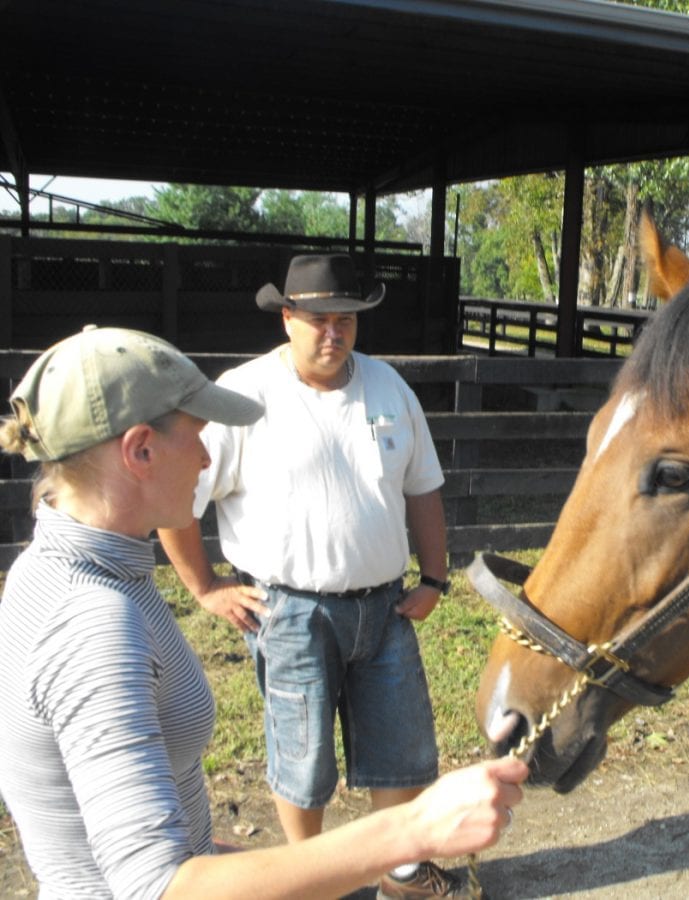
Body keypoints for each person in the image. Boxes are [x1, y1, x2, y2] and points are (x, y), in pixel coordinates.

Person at [0, 325, 526, 899]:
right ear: (140, 450)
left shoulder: (57, 569)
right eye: (198, 437)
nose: (206, 458)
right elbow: (159, 888)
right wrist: (414, 830)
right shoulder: (93, 623)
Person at [156, 253, 467, 898]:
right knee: (302, 757)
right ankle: (309, 880)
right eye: (319, 319)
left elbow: (424, 490)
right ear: (288, 318)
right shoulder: (242, 398)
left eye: (347, 319)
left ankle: (402, 873)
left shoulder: (388, 389)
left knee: (402, 743)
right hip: (287, 611)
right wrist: (205, 587)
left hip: (384, 607)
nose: (335, 332)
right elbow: (176, 497)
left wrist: (433, 578)